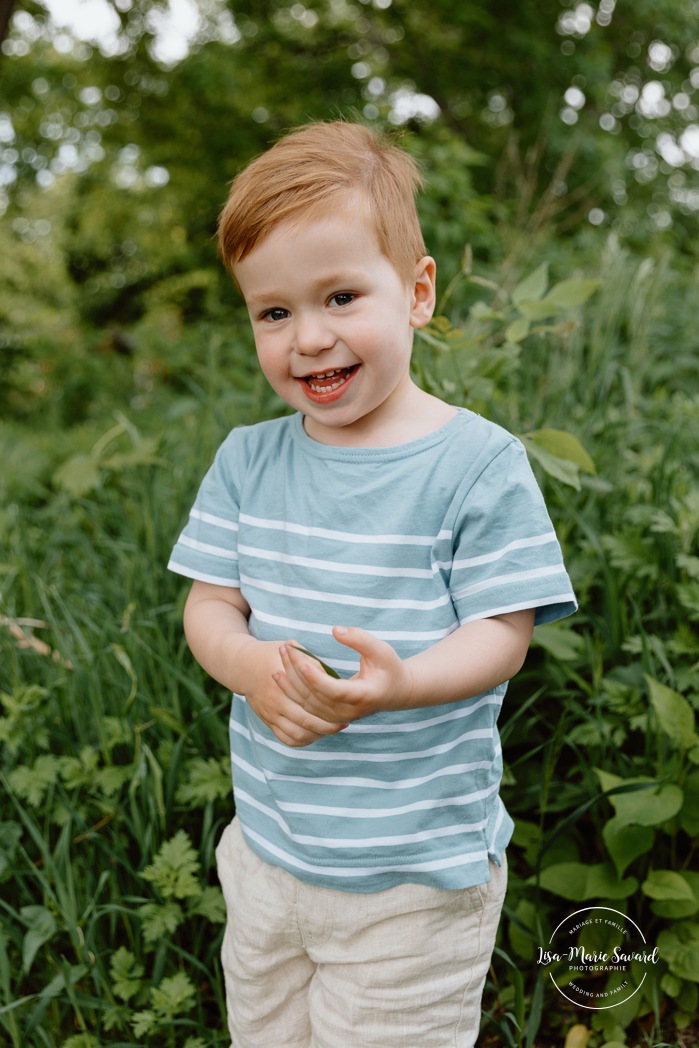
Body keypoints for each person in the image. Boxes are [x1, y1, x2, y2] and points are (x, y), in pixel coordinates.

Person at [168, 120, 577, 1048]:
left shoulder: (475, 464)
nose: (309, 338)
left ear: (417, 292)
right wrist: (247, 667)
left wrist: (402, 684)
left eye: (341, 296)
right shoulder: (246, 462)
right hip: (270, 853)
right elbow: (209, 604)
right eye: (273, 312)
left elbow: (501, 631)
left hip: (413, 878)